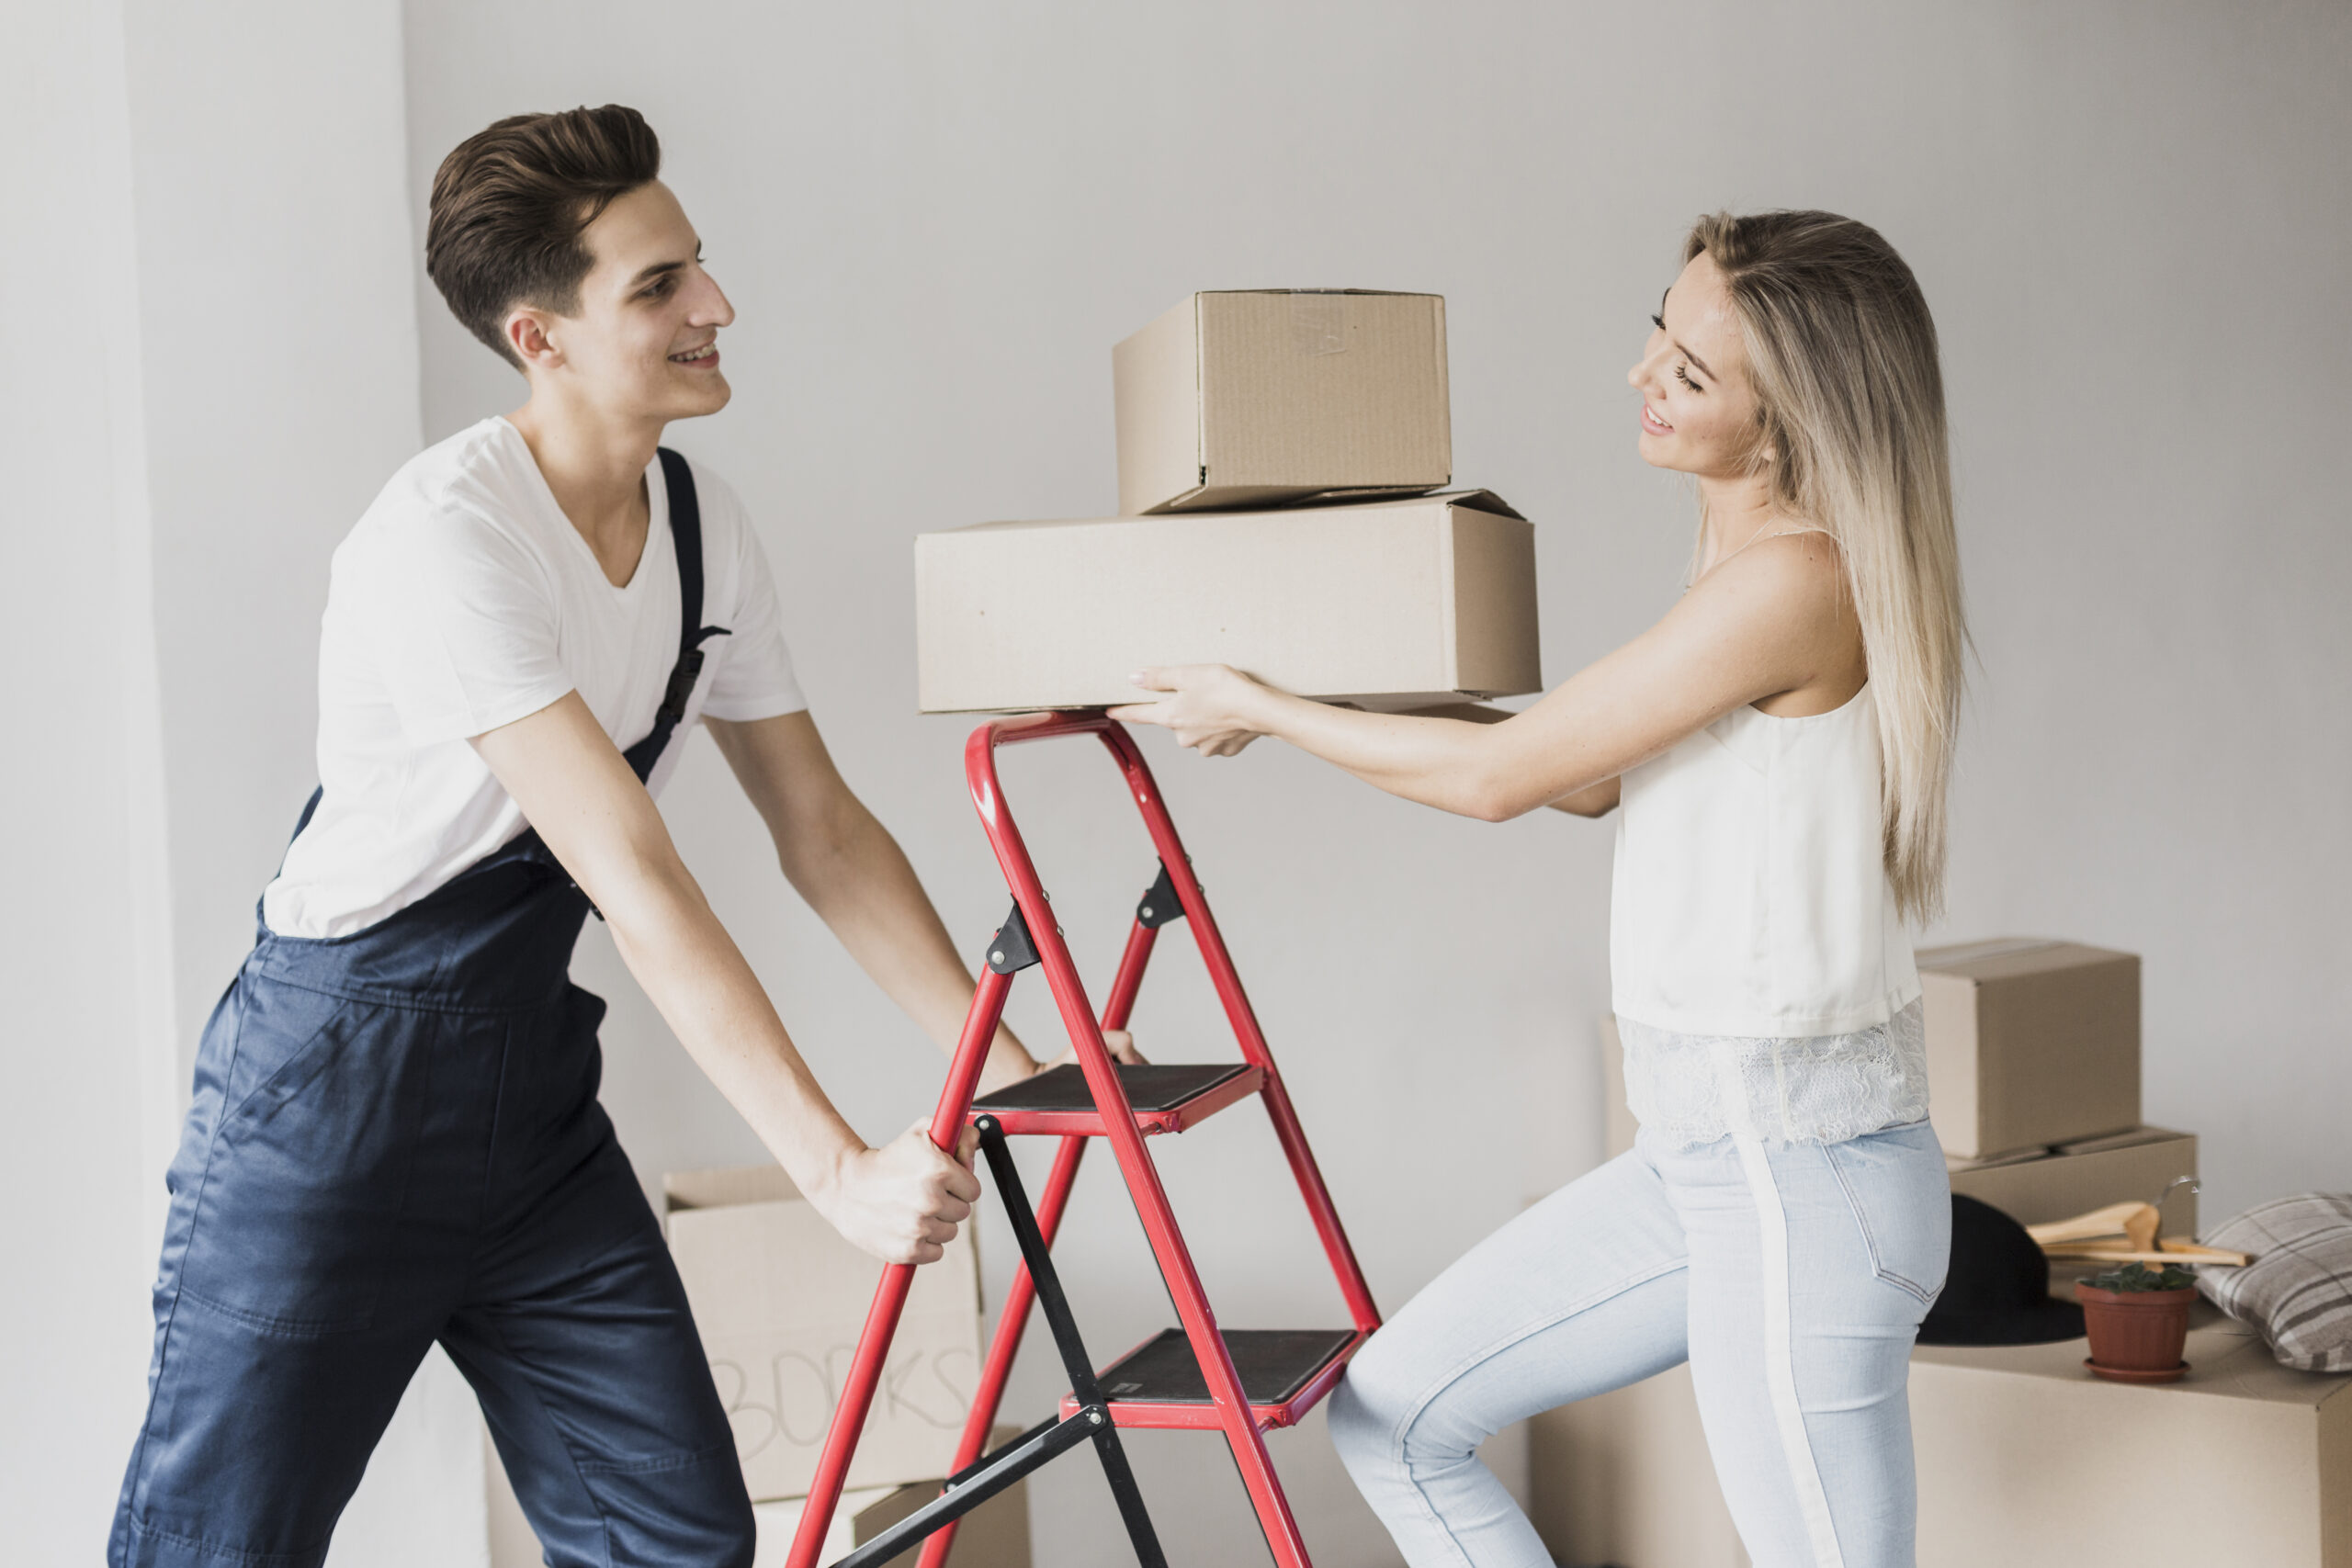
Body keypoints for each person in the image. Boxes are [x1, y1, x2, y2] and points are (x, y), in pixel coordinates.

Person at [109, 105, 1134, 1568]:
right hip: (326, 1109)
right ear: (542, 338)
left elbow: (824, 834)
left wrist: (1020, 1062)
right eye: (659, 287)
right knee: (215, 1546)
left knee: (676, 1542)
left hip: (526, 1115)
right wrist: (837, 1169)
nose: (716, 306)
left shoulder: (704, 527)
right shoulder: (448, 539)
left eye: (698, 266)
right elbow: (634, 876)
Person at [1112, 209, 1965, 1567]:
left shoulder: (1796, 580)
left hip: (1803, 1185)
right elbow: (1581, 774)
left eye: (1690, 373)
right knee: (1394, 1414)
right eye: (1656, 335)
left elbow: (1503, 779)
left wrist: (1268, 708)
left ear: (1792, 419)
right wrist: (1308, 681)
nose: (1643, 378)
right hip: (1701, 1162)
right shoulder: (1737, 573)